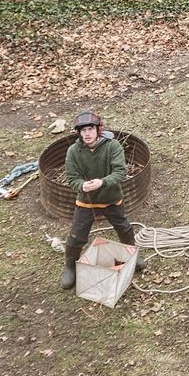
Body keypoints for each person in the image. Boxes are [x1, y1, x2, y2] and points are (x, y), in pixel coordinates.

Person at [60, 110, 136, 291]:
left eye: (90, 129)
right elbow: (72, 178)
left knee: (124, 228)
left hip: (111, 198)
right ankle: (70, 266)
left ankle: (132, 255)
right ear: (78, 133)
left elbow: (120, 172)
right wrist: (82, 186)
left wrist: (102, 182)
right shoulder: (73, 151)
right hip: (86, 201)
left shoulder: (112, 146)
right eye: (83, 130)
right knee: (75, 237)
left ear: (98, 130)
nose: (87, 133)